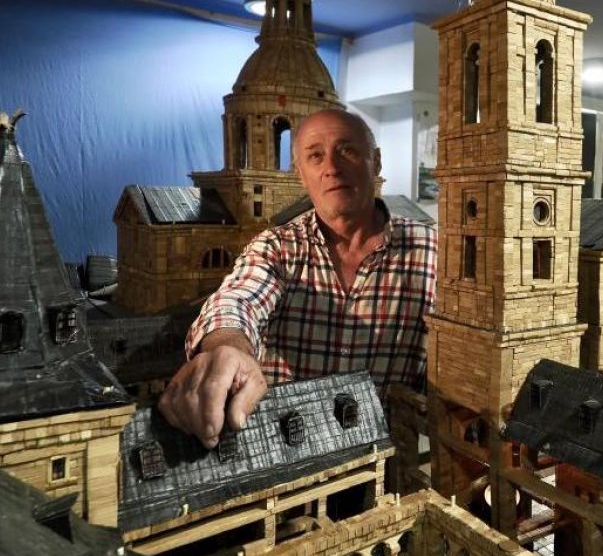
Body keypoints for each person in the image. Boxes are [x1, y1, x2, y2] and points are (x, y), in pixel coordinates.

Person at [158, 109, 437, 448]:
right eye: (315, 155)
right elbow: (238, 299)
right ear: (301, 175)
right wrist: (228, 349)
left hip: (388, 461)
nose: (332, 167)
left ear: (375, 163)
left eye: (347, 150)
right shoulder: (277, 247)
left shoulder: (434, 250)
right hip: (288, 457)